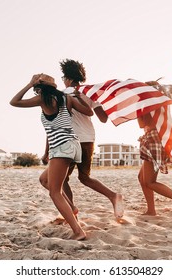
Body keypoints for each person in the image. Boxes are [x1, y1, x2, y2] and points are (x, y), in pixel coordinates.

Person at [10, 73, 93, 240]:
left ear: (38, 88)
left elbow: (14, 102)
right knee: (44, 180)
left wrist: (28, 83)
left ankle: (78, 231)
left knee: (54, 192)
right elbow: (89, 112)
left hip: (63, 147)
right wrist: (47, 152)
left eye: (35, 87)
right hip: (71, 144)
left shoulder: (43, 99)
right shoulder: (65, 98)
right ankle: (72, 209)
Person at [39, 59, 124, 219]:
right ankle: (113, 196)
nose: (63, 81)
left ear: (67, 78)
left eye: (63, 77)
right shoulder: (89, 93)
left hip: (68, 141)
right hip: (88, 139)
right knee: (84, 177)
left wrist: (47, 150)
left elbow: (54, 124)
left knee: (57, 179)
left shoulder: (61, 95)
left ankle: (71, 212)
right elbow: (103, 118)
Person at [137, 89, 172, 223]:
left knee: (150, 181)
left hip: (152, 140)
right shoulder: (159, 103)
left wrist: (137, 109)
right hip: (156, 138)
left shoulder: (145, 103)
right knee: (141, 177)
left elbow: (142, 124)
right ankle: (151, 210)